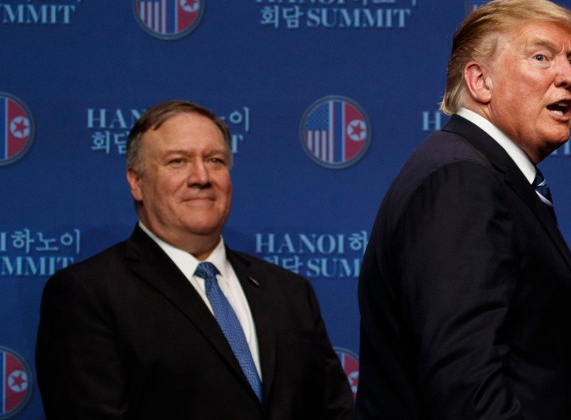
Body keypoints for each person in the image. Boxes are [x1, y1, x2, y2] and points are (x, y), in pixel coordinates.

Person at [355, 0, 571, 419]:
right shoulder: (461, 181)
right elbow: (464, 386)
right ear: (480, 82)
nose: (568, 77)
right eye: (542, 57)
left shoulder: (484, 174)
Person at [36, 100, 353, 420]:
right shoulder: (88, 294)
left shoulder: (290, 292)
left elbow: (333, 412)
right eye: (178, 161)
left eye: (215, 160)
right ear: (136, 181)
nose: (201, 177)